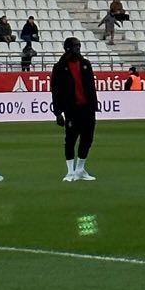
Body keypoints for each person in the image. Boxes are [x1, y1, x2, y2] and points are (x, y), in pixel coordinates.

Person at [50, 35, 98, 184]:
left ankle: (80, 169)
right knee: (70, 140)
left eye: (79, 46)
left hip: (87, 108)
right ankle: (70, 171)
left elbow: (91, 87)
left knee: (87, 139)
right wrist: (58, 112)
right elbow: (55, 91)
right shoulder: (59, 67)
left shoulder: (85, 64)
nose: (79, 48)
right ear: (68, 48)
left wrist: (94, 105)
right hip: (71, 109)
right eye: (76, 46)